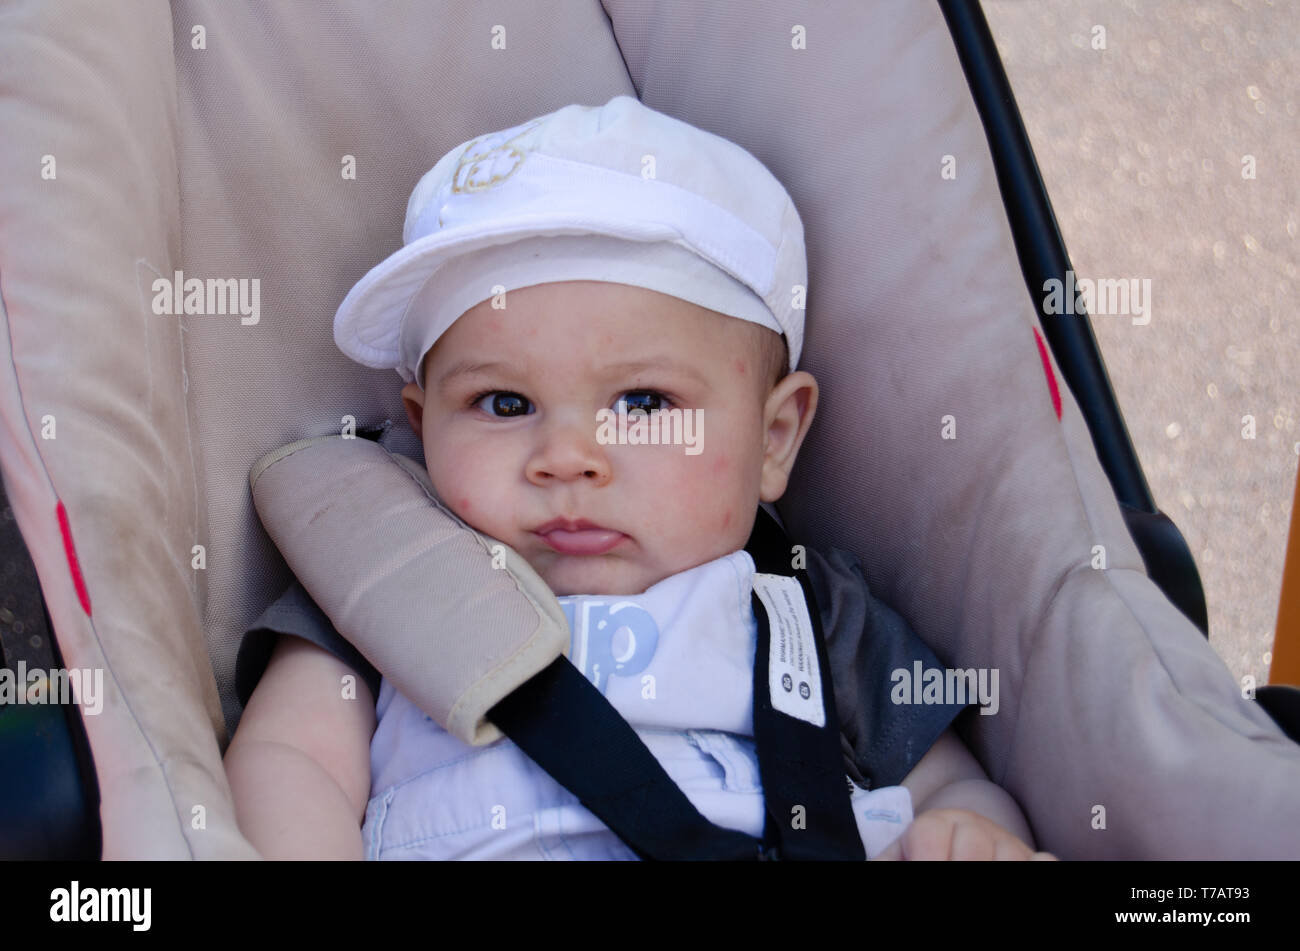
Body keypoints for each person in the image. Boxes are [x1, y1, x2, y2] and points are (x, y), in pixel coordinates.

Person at [224, 95, 1056, 861]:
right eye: (504, 401)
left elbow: (954, 782)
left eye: (645, 402)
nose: (568, 457)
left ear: (773, 438)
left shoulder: (814, 615)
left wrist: (967, 832)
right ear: (421, 424)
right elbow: (290, 760)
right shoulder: (386, 584)